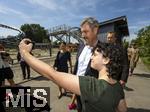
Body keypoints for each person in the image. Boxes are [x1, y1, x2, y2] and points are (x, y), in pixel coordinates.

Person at [19, 38, 127, 112]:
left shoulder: (91, 85)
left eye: (94, 54)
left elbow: (51, 74)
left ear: (106, 60)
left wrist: (24, 52)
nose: (91, 57)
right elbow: (122, 110)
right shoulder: (118, 87)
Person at [69, 17, 99, 111]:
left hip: (91, 92)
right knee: (79, 108)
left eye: (85, 32)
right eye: (82, 32)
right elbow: (78, 67)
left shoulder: (103, 49)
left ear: (95, 30)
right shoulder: (81, 47)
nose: (82, 35)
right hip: (77, 86)